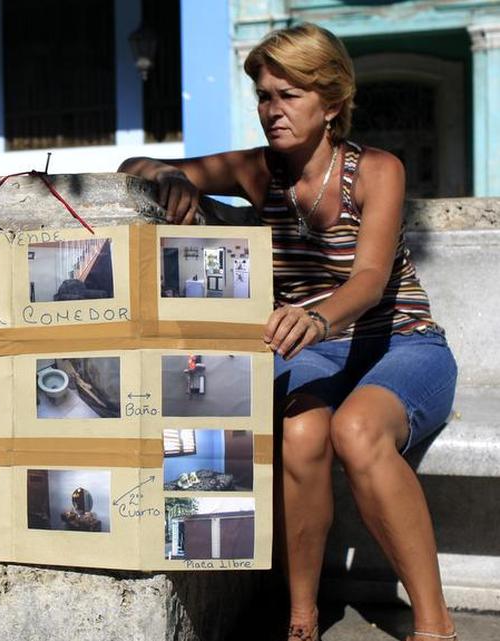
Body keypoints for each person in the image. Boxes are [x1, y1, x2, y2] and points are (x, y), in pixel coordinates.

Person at [119, 23, 458, 641]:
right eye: (264, 96)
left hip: (400, 344)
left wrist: (318, 316)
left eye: (289, 94)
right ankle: (301, 616)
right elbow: (131, 166)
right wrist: (168, 177)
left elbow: (370, 279)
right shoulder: (259, 171)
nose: (272, 110)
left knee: (356, 431)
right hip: (315, 352)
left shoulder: (377, 170)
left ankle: (434, 624)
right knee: (301, 431)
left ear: (331, 103)